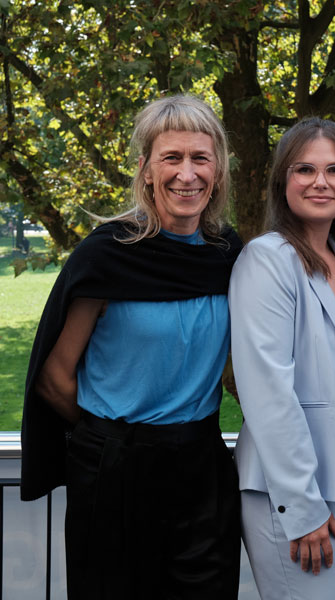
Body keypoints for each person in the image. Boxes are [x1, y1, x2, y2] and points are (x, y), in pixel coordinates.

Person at [21, 94, 243, 598]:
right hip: (114, 471)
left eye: (200, 158)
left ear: (218, 170)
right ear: (145, 169)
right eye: (172, 157)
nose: (187, 173)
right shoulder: (107, 255)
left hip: (201, 468)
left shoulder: (228, 254)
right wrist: (112, 439)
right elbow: (56, 377)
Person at [229, 118, 335, 599]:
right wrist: (302, 507)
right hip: (295, 495)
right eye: (305, 169)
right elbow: (268, 394)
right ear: (283, 181)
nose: (321, 182)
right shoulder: (267, 260)